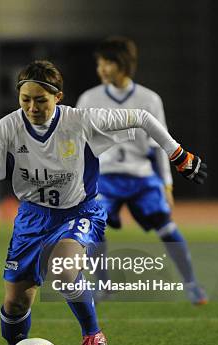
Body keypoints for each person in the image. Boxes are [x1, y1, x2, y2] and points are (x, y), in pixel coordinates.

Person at [0, 60, 207, 345]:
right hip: (31, 218)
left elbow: (143, 118)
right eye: (25, 99)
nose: (32, 107)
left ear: (57, 97)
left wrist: (179, 155)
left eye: (40, 100)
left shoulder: (81, 121)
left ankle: (92, 335)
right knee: (16, 302)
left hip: (79, 213)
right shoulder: (10, 126)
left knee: (64, 269)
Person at [76, 36, 208, 304]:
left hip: (141, 176)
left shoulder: (149, 99)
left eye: (107, 63)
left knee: (167, 227)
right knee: (93, 228)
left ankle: (192, 285)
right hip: (105, 178)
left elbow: (161, 145)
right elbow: (77, 144)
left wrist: (166, 184)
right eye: (99, 63)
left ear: (123, 64)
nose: (101, 68)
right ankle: (103, 286)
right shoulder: (89, 98)